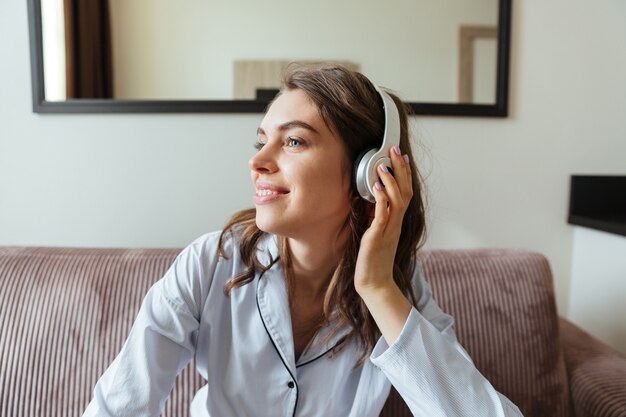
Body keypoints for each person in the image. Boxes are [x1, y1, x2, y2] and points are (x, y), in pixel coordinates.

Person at [82, 64, 524, 417]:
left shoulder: (397, 284)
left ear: (368, 175)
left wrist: (377, 289)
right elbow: (118, 406)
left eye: (293, 140)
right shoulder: (208, 263)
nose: (257, 161)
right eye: (261, 142)